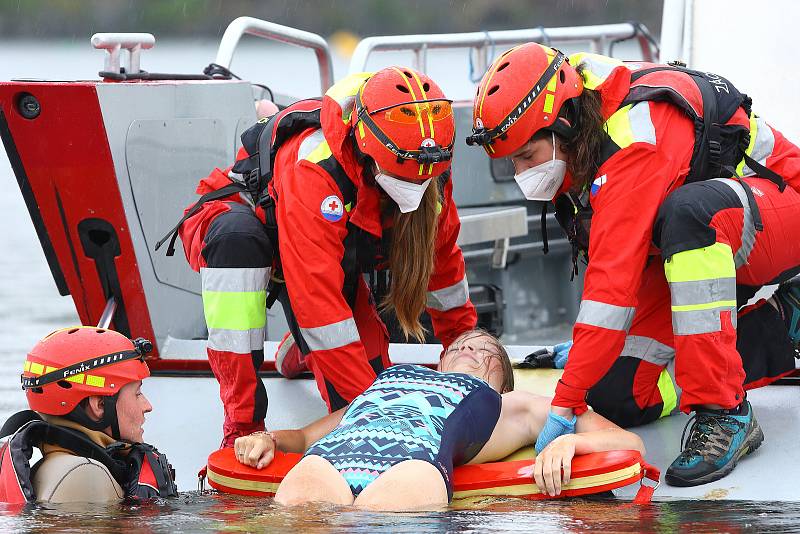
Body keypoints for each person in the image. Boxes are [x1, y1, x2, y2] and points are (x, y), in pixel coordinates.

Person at [466, 42, 800, 487]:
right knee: (618, 395)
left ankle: (725, 413)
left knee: (690, 215)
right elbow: (612, 265)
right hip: (697, 243)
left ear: (561, 126)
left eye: (526, 157)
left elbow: (612, 288)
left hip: (778, 209)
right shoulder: (580, 117)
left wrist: (563, 405)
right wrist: (587, 356)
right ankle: (782, 326)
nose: (521, 172)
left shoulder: (634, 140)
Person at [171, 66, 477, 447]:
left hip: (331, 254)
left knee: (367, 382)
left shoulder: (432, 169)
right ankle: (241, 426)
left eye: (423, 178)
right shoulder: (316, 167)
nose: (416, 185)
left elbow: (444, 271)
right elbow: (319, 308)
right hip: (247, 228)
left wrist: (472, 360)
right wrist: (378, 413)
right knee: (238, 245)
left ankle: (299, 352)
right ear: (368, 151)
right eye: (405, 177)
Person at [232, 329, 644, 510]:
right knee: (293, 516)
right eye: (461, 344)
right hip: (330, 460)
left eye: (486, 352)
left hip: (413, 469)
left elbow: (629, 444)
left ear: (502, 381)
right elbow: (304, 439)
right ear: (441, 358)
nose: (470, 348)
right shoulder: (387, 383)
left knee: (382, 521)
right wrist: (267, 438)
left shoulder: (513, 403)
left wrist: (571, 441)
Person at [0, 326, 177, 504]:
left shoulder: (62, 467)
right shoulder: (85, 475)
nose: (147, 406)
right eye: (137, 394)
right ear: (99, 405)